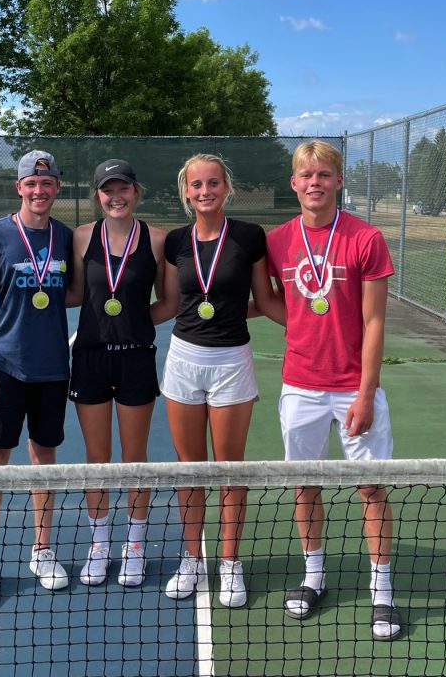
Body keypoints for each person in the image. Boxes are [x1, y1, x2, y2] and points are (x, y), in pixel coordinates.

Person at [266, 140, 402, 641]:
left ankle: (382, 594)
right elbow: (271, 301)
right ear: (294, 184)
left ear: (338, 181)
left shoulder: (366, 238)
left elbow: (373, 322)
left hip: (352, 389)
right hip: (299, 387)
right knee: (305, 484)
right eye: (307, 175)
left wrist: (366, 393)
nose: (315, 182)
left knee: (370, 488)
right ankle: (313, 577)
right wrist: (302, 328)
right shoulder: (278, 240)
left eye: (325, 174)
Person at [156, 152, 285, 608]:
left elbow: (267, 301)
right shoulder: (175, 241)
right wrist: (114, 323)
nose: (205, 191)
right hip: (184, 360)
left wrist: (322, 330)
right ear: (186, 192)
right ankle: (192, 558)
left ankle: (230, 563)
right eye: (196, 185)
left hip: (232, 361)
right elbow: (171, 305)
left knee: (230, 469)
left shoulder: (250, 237)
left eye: (213, 183)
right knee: (189, 469)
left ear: (227, 188)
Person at [0, 150, 73, 609]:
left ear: (56, 189)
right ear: (20, 187)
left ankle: (42, 549)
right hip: (4, 369)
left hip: (52, 370)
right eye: (32, 183)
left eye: (47, 184)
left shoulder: (66, 238)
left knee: (43, 459)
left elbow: (74, 293)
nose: (39, 190)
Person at [67, 159, 167, 588]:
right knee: (96, 460)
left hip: (135, 359)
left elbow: (168, 301)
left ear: (135, 190)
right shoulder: (81, 237)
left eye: (122, 187)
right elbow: (74, 293)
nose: (115, 196)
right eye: (107, 190)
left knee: (135, 459)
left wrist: (132, 324)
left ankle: (135, 547)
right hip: (89, 358)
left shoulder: (158, 240)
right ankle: (99, 545)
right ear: (98, 195)